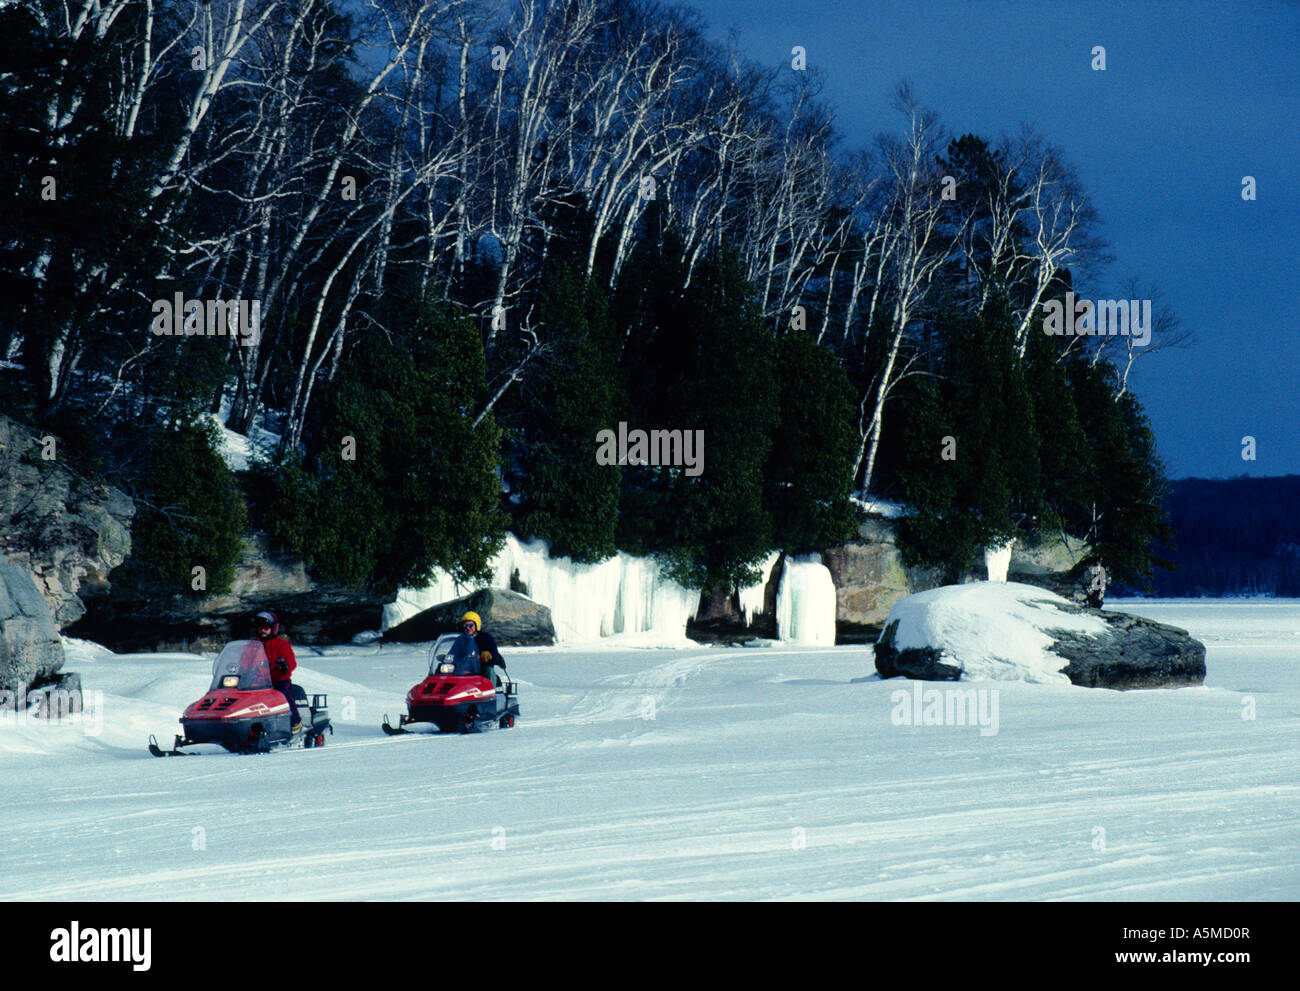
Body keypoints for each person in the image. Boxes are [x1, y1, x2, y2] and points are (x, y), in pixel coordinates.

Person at [253, 610, 301, 734]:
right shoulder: (252, 645)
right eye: (260, 628)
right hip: (258, 681)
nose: (263, 631)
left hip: (278, 680)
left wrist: (285, 665)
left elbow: (291, 662)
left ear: (273, 629)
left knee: (284, 694)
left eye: (266, 628)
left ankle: (295, 721)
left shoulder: (281, 644)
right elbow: (244, 661)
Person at [460, 611, 505, 683]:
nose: (468, 628)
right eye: (465, 626)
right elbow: (454, 651)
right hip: (464, 670)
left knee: (489, 670)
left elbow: (496, 657)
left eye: (470, 625)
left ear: (476, 625)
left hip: (481, 671)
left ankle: (490, 691)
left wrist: (489, 656)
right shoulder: (460, 639)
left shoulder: (486, 638)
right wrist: (446, 657)